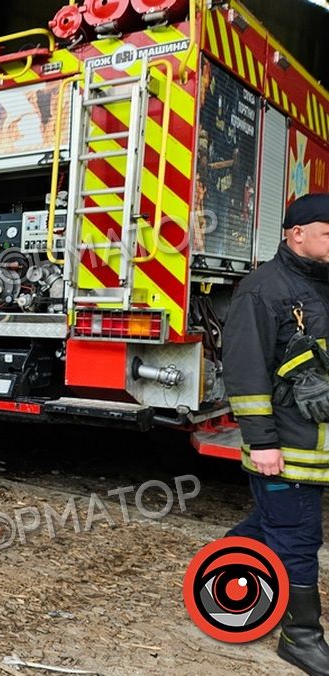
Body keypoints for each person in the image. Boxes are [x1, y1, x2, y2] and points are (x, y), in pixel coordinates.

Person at [223, 193, 329, 673]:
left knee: (272, 527)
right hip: (285, 448)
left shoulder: (319, 286)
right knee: (298, 538)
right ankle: (300, 638)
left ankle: (225, 577)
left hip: (312, 445)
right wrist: (263, 443)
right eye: (328, 232)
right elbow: (245, 375)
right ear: (296, 234)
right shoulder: (262, 290)